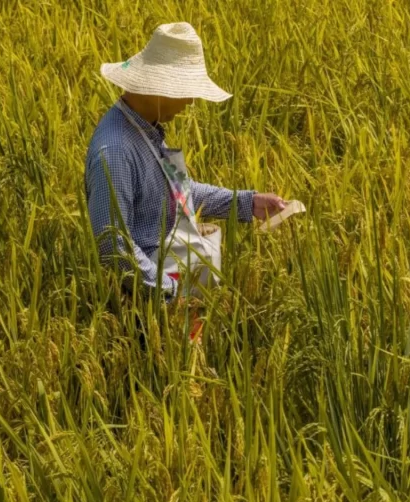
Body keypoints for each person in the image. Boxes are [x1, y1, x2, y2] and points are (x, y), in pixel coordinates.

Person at [85, 22, 288, 330]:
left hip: (170, 294)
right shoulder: (115, 151)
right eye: (186, 93)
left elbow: (179, 191)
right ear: (162, 89)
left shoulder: (146, 130)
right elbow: (114, 246)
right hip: (146, 315)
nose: (190, 103)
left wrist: (247, 204)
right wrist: (171, 294)